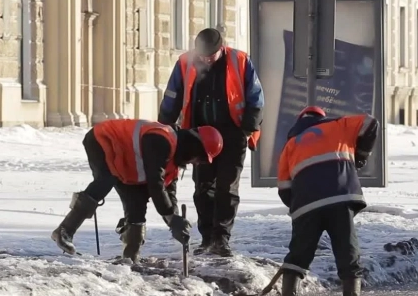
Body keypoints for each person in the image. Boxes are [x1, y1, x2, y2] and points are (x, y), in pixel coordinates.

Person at [50, 119, 224, 263]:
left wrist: (174, 220)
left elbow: (167, 192)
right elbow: (155, 183)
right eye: (200, 158)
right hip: (104, 140)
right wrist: (171, 217)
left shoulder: (174, 163)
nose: (196, 163)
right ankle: (64, 231)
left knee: (137, 203)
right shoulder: (162, 139)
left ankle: (130, 257)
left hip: (127, 162)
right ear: (194, 145)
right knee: (106, 179)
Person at [158, 28, 265, 257]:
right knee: (203, 187)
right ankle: (207, 238)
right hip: (199, 135)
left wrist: (248, 127)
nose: (206, 59)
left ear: (221, 48)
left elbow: (255, 96)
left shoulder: (240, 60)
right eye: (203, 55)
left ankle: (221, 238)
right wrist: (164, 128)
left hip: (233, 133)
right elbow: (172, 96)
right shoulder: (186, 62)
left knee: (227, 187)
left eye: (211, 56)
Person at [276, 106, 379, 296]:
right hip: (340, 198)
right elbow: (370, 123)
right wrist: (361, 154)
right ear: (322, 118)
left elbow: (284, 186)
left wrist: (298, 208)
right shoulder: (339, 125)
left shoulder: (291, 143)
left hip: (306, 205)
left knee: (299, 254)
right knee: (347, 250)